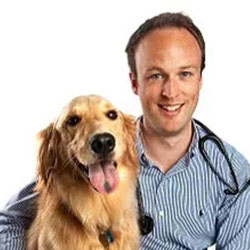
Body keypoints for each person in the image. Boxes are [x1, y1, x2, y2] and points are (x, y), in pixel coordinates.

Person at [0, 12, 250, 250]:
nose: (171, 92)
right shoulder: (94, 150)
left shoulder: (233, 173)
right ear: (135, 82)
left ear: (199, 80)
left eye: (185, 74)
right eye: (156, 76)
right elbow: (8, 221)